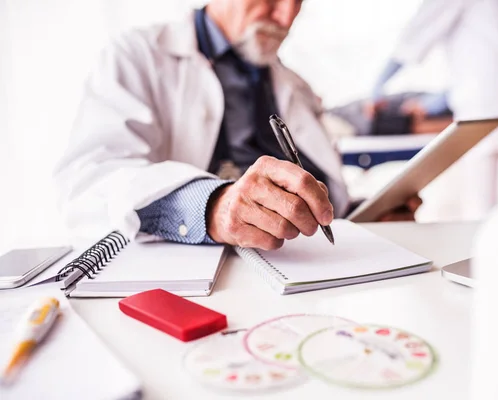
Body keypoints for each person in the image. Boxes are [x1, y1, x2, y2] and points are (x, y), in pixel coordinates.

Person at [54, 0, 420, 251]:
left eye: (299, 1)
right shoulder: (137, 56)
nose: (285, 16)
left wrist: (362, 215)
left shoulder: (294, 85)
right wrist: (213, 207)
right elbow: (90, 183)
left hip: (308, 273)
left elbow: (316, 197)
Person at [365, 0, 498, 221]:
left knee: (484, 216)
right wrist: (432, 104)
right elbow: (494, 57)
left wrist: (377, 89)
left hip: (491, 113)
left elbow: (413, 38)